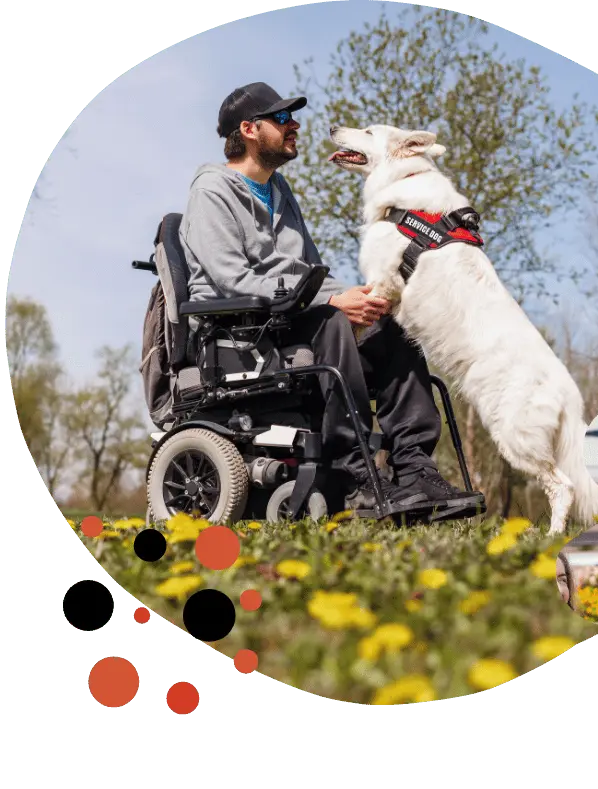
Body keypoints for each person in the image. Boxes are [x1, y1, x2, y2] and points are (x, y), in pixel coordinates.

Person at [179, 82, 484, 515]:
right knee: (333, 323)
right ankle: (356, 475)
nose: (294, 126)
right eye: (281, 119)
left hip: (291, 321)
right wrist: (330, 305)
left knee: (393, 326)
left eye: (292, 118)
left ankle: (415, 470)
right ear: (248, 129)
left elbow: (311, 271)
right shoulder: (211, 192)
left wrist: (355, 296)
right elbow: (231, 280)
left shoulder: (281, 193)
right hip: (239, 335)